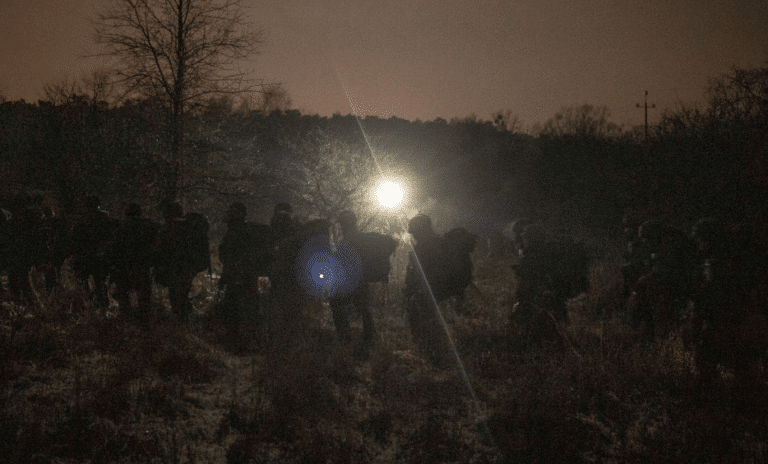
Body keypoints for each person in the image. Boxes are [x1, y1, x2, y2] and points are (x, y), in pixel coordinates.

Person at [404, 214, 475, 368]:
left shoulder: (424, 248)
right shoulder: (445, 242)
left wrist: (409, 291)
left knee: (417, 308)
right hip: (452, 288)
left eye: (415, 232)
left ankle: (433, 352)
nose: (414, 236)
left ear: (424, 229)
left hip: (439, 289)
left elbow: (415, 278)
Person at [330, 210, 397, 353]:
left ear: (344, 225)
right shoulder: (367, 238)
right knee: (363, 308)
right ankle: (369, 338)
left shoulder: (346, 242)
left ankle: (344, 338)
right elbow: (392, 242)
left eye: (342, 224)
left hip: (352, 282)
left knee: (336, 303)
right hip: (362, 281)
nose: (342, 227)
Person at [217, 202, 272, 326]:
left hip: (237, 277)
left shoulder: (234, 232)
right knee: (250, 309)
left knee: (234, 311)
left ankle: (238, 337)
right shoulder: (250, 230)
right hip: (249, 276)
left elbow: (229, 259)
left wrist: (224, 278)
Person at [155, 202, 209, 324]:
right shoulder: (190, 226)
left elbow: (161, 248)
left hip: (177, 267)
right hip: (190, 267)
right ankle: (184, 320)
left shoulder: (171, 227)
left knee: (176, 295)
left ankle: (180, 323)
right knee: (182, 294)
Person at [109, 202, 157, 323]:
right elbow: (157, 243)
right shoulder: (149, 225)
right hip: (143, 265)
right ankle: (145, 323)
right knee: (144, 297)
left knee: (123, 294)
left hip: (126, 266)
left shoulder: (122, 227)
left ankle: (127, 321)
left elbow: (115, 247)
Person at [70, 195, 118, 309]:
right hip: (100, 255)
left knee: (85, 282)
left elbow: (74, 239)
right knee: (100, 282)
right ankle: (103, 308)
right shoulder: (104, 217)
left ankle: (90, 306)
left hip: (86, 256)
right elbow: (112, 235)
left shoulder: (82, 220)